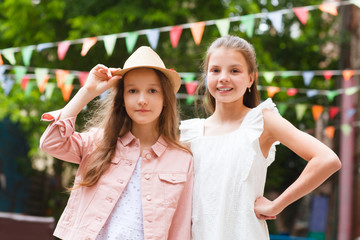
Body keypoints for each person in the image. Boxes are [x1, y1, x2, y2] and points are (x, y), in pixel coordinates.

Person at [180, 35, 341, 239]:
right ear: (206, 76)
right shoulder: (188, 133)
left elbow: (327, 159)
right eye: (215, 70)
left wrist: (276, 205)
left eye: (235, 70)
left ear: (250, 78)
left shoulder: (261, 121)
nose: (223, 77)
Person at [40, 46, 193, 240]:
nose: (142, 100)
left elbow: (180, 229)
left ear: (165, 99)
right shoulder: (99, 142)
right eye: (132, 91)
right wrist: (87, 92)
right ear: (122, 99)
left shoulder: (182, 159)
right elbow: (51, 143)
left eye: (153, 90)